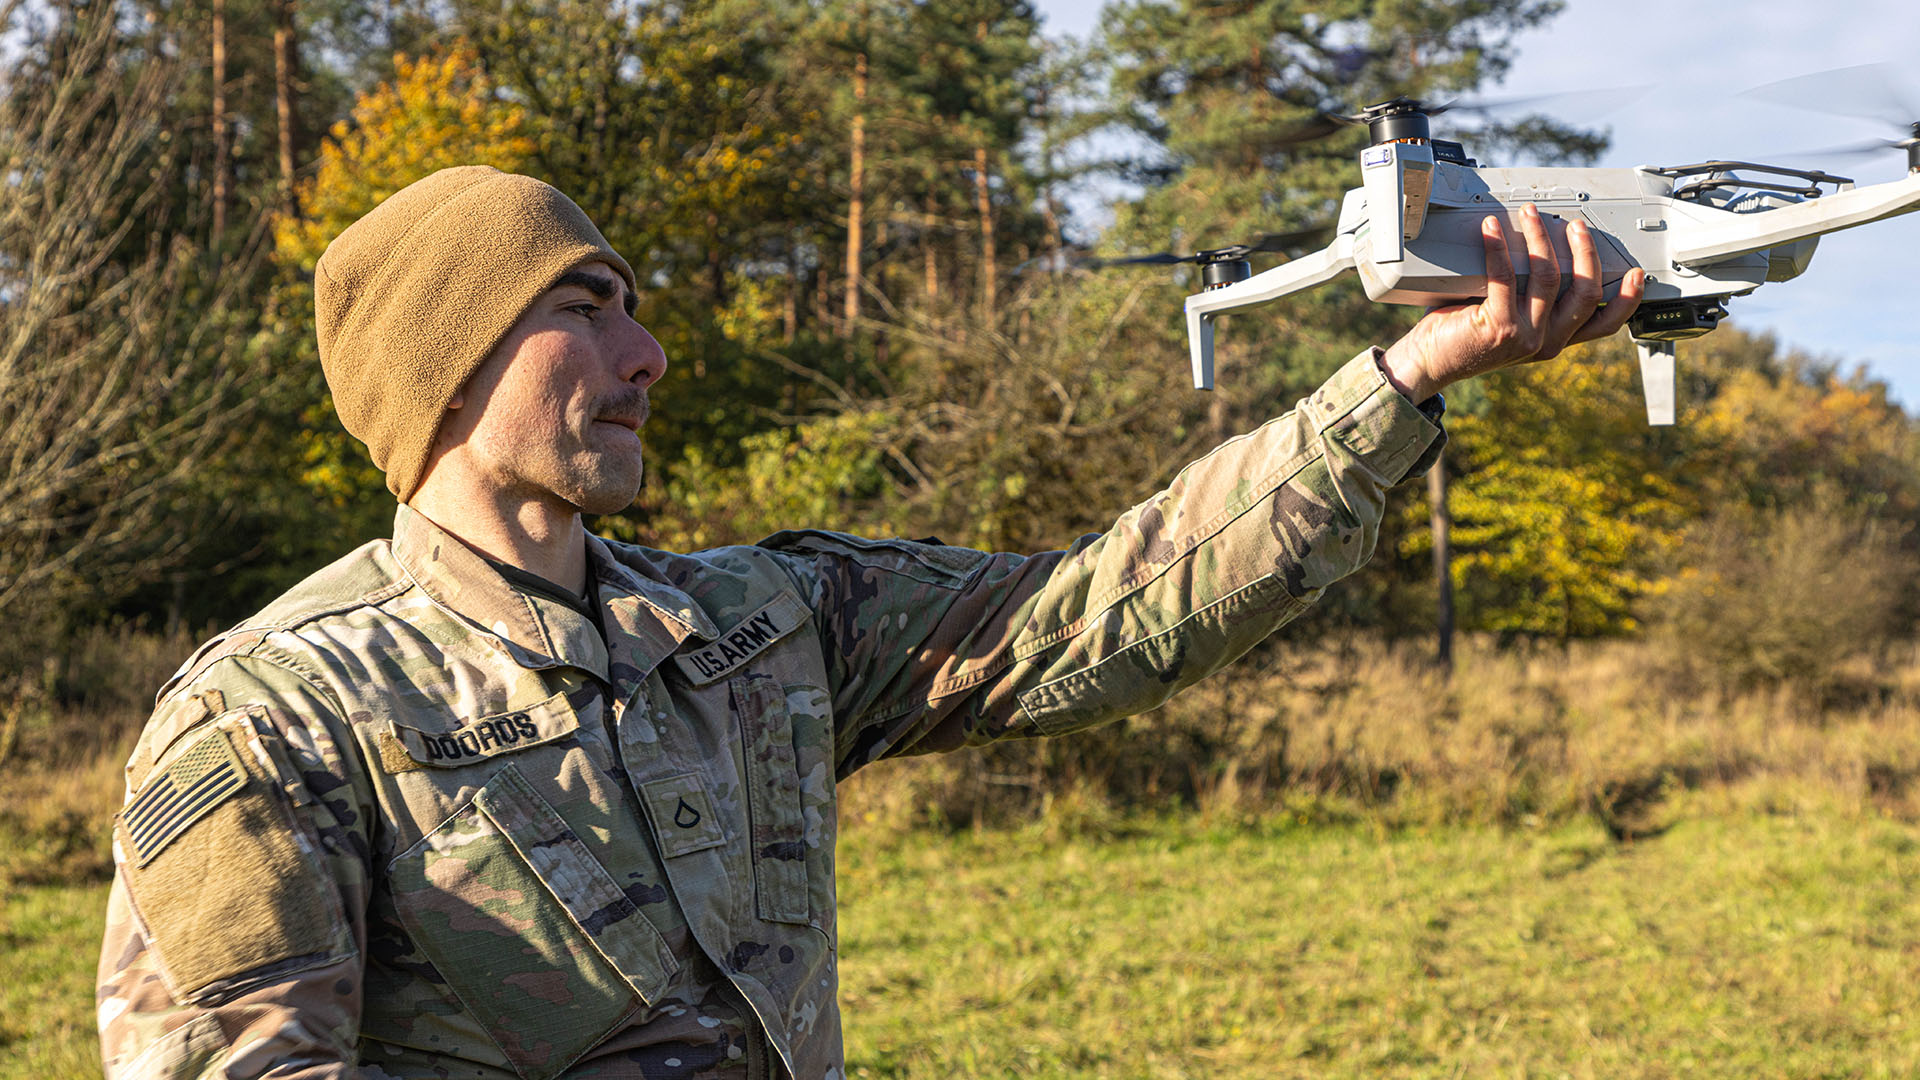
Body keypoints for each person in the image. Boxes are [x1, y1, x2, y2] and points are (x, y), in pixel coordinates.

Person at [96, 165, 1643, 1079]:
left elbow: (1106, 606)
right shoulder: (274, 713)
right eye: (586, 306)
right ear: (444, 365)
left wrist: (1405, 383)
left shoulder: (760, 622)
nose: (646, 352)